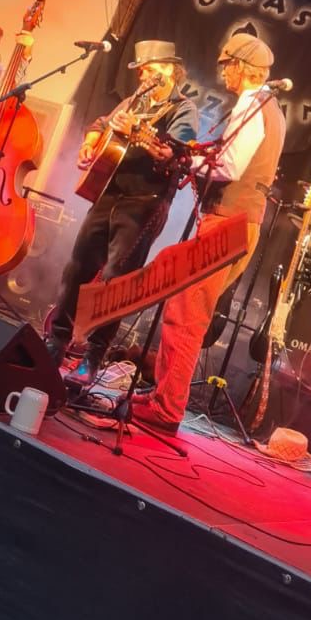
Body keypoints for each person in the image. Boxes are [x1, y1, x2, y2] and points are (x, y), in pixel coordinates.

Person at [133, 32, 287, 435]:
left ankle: (166, 409)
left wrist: (187, 164)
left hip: (227, 222)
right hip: (240, 223)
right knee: (183, 310)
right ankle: (162, 396)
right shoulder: (272, 109)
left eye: (226, 66)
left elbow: (230, 167)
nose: (223, 74)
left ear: (241, 67)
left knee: (186, 315)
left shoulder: (252, 104)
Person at [47, 39, 198, 387]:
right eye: (141, 71)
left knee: (116, 282)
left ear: (169, 70)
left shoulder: (183, 110)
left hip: (144, 203)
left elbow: (174, 154)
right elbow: (101, 124)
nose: (143, 76)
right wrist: (90, 142)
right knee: (77, 267)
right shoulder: (135, 101)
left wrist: (141, 137)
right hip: (110, 193)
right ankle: (57, 341)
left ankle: (93, 356)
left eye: (150, 69)